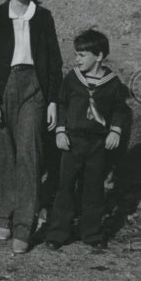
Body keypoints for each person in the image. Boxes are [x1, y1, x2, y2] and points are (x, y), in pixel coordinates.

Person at [0, 0, 62, 255]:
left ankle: (23, 227)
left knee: (29, 154)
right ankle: (4, 214)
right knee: (3, 155)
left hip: (33, 89)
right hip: (2, 89)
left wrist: (52, 100)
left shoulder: (43, 17)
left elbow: (54, 61)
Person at [45, 29, 130, 251]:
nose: (77, 59)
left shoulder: (112, 83)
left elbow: (120, 109)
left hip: (97, 143)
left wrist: (116, 130)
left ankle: (91, 232)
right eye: (76, 55)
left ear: (99, 56)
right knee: (65, 187)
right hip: (72, 140)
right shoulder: (73, 78)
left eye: (82, 55)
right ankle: (57, 232)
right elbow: (62, 103)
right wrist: (61, 131)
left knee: (93, 188)